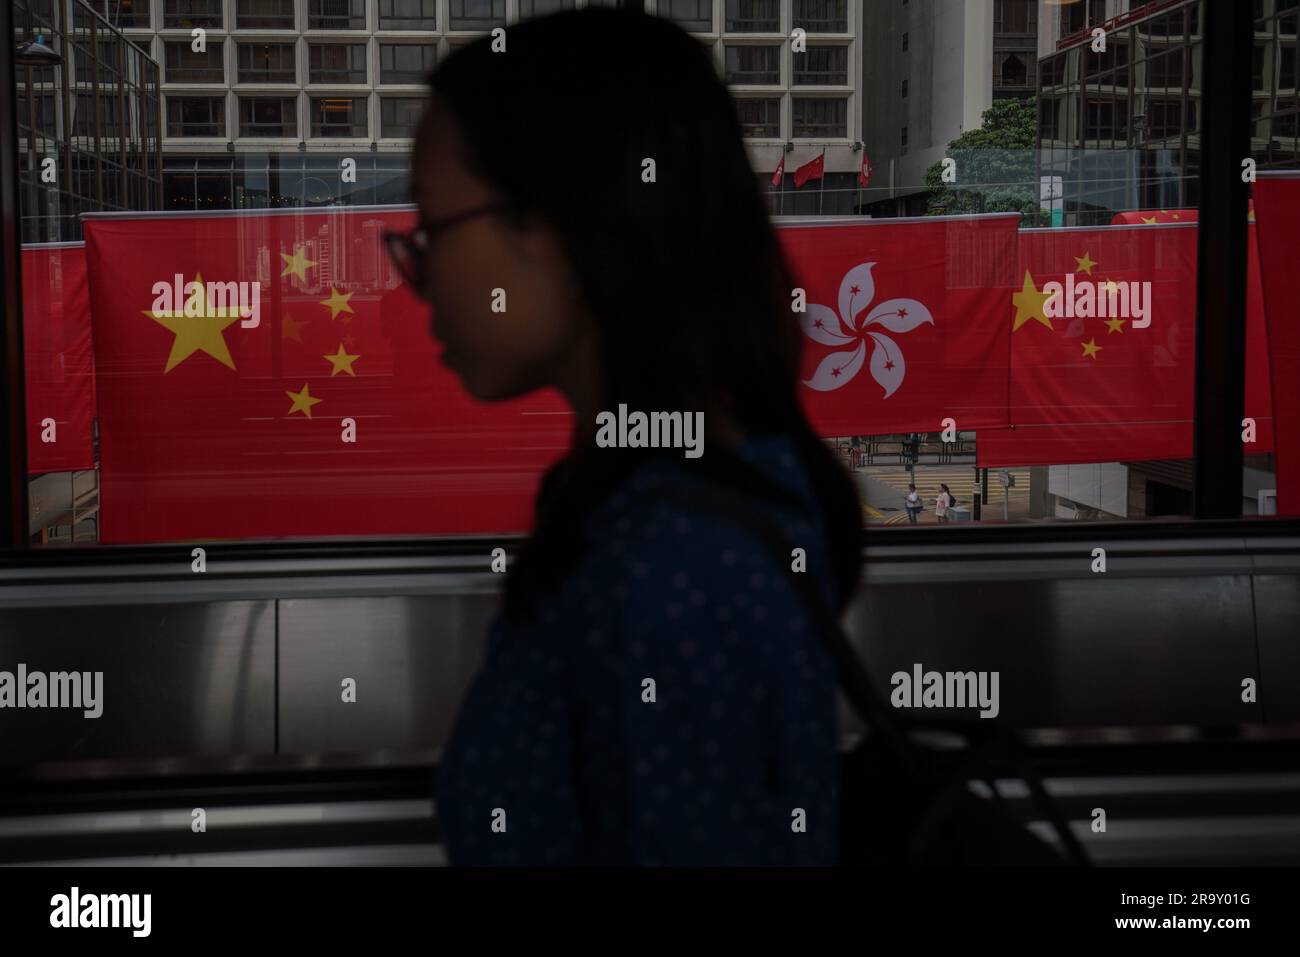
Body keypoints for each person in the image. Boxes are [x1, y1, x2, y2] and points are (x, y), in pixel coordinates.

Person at [392, 9, 864, 866]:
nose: (416, 275)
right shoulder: (686, 497)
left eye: (431, 228)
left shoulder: (673, 559)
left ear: (559, 230)